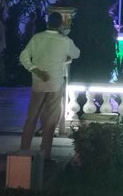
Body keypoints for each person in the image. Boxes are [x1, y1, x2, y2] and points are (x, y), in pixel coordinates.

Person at [19, 11, 80, 162]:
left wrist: (35, 69)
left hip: (38, 82)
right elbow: (76, 54)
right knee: (51, 121)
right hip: (55, 83)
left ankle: (23, 151)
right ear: (61, 25)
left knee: (31, 118)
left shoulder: (37, 38)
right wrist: (64, 57)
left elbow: (23, 56)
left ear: (47, 22)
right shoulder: (65, 40)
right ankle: (45, 154)